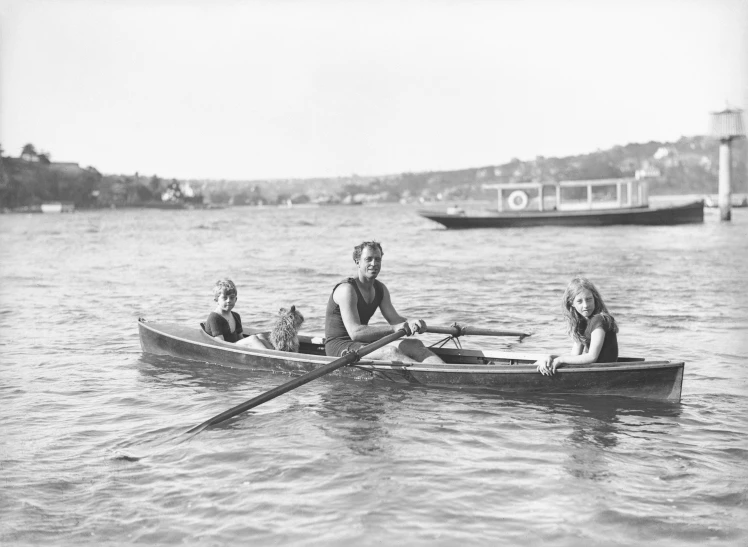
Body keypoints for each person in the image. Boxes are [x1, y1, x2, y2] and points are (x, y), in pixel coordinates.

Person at [324, 241, 444, 364]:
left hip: (362, 344)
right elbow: (356, 333)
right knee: (390, 352)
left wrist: (412, 322)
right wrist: (394, 329)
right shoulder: (347, 289)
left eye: (377, 259)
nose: (374, 264)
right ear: (357, 262)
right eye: (368, 259)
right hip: (340, 348)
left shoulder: (380, 289)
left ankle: (443, 372)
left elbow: (396, 320)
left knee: (414, 344)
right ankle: (430, 376)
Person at [536, 276, 619, 375]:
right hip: (594, 371)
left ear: (595, 299)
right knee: (542, 361)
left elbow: (592, 356)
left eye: (589, 299)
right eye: (579, 301)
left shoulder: (599, 320)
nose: (585, 305)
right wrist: (551, 357)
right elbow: (574, 355)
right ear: (572, 303)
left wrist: (560, 360)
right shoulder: (582, 322)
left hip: (604, 373)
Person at [205, 279, 273, 349]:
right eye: (224, 298)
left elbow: (240, 338)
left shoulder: (236, 316)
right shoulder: (214, 318)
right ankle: (270, 358)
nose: (228, 301)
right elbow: (220, 344)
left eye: (232, 297)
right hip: (225, 349)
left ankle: (277, 355)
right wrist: (251, 341)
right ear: (216, 300)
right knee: (253, 338)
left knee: (260, 336)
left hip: (235, 346)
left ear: (236, 299)